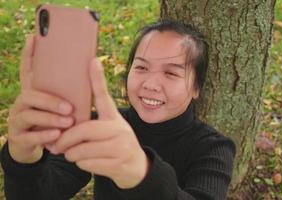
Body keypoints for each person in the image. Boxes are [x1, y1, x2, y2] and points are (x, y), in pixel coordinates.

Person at [0, 19, 236, 200]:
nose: (150, 84)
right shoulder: (100, 127)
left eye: (171, 73)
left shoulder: (214, 148)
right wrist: (24, 159)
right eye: (141, 67)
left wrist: (142, 173)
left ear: (196, 87)